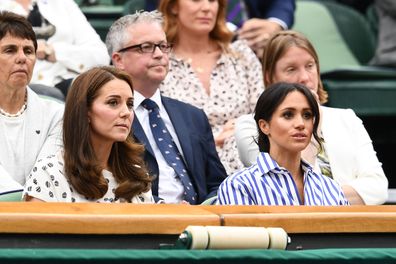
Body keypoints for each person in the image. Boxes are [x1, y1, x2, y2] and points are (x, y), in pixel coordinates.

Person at [235, 30, 388, 205]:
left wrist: (322, 197)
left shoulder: (347, 118)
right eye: (291, 69)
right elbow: (284, 188)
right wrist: (312, 126)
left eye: (310, 66)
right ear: (270, 77)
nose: (305, 78)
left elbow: (378, 188)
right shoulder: (250, 125)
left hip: (352, 227)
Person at [105, 10, 227, 204]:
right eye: (146, 47)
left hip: (200, 222)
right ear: (118, 60)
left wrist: (205, 209)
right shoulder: (107, 114)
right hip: (142, 222)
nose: (160, 54)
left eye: (163, 46)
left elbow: (218, 183)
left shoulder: (193, 116)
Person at [158, 0, 263, 175]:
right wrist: (211, 140)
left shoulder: (242, 54)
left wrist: (240, 130)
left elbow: (263, 116)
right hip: (187, 167)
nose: (207, 7)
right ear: (173, 6)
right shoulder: (159, 61)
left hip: (247, 159)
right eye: (196, 0)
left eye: (213, 1)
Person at [23, 66, 153, 203]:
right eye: (113, 102)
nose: (126, 112)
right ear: (85, 111)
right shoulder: (49, 173)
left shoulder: (136, 174)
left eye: (130, 104)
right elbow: (36, 225)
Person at [218, 82, 349, 205]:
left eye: (307, 115)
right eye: (288, 115)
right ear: (264, 126)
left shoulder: (332, 188)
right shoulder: (239, 185)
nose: (300, 124)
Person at [0, 11, 63, 188]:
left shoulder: (57, 114)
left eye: (28, 51)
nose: (22, 58)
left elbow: (47, 179)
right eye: (10, 50)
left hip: (40, 212)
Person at [0, 0, 110, 96]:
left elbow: (101, 56)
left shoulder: (62, 3)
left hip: (69, 85)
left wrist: (53, 52)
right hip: (18, 90)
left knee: (102, 92)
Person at [146, 0, 295, 57]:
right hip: (187, 45)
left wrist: (274, 25)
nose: (206, 7)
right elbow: (158, 17)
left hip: (256, 47)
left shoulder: (245, 57)